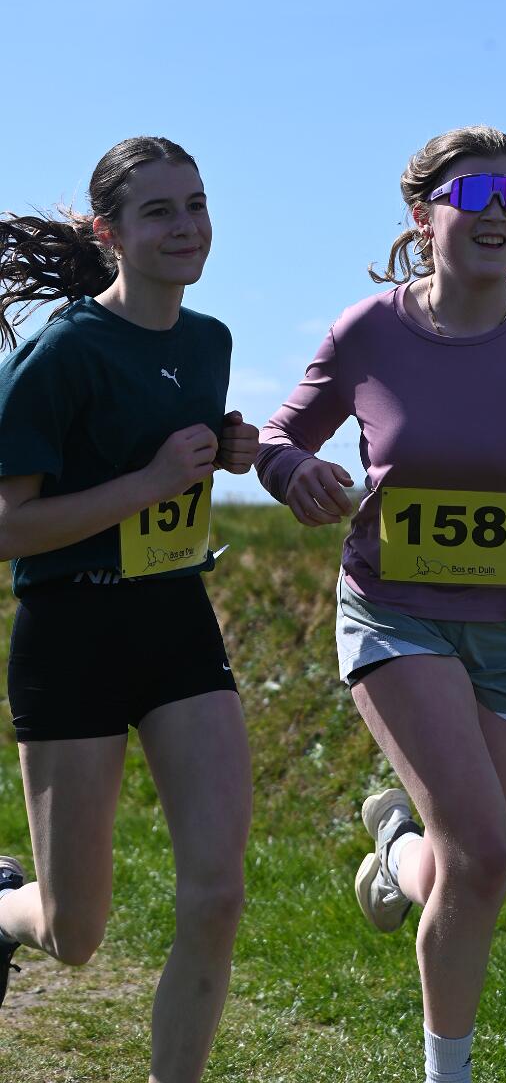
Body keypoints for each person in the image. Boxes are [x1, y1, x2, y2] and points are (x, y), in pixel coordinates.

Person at [256, 124, 506, 1083]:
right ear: (422, 216)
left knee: (459, 869)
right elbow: (278, 438)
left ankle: (395, 844)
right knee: (483, 853)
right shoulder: (367, 331)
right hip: (394, 612)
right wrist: (294, 472)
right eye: (476, 194)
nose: (498, 215)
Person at [0, 137, 259, 1083]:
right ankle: (3, 908)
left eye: (196, 204)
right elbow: (7, 527)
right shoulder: (63, 352)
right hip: (70, 636)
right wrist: (150, 480)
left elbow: (166, 459)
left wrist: (226, 450)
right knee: (74, 934)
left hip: (175, 621)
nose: (187, 227)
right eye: (159, 212)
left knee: (217, 895)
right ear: (109, 232)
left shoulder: (208, 341)